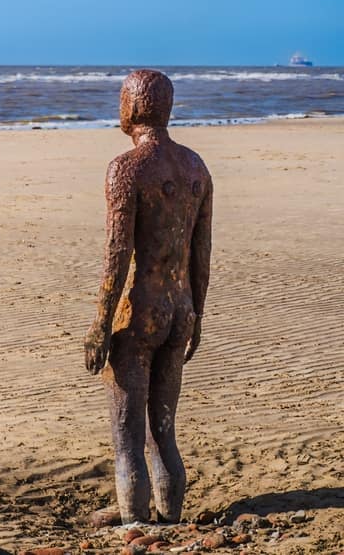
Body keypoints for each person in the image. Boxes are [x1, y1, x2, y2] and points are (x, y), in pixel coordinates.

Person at [84, 69, 213, 524]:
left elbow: (117, 254)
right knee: (163, 430)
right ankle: (169, 515)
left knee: (127, 433)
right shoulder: (196, 167)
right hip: (179, 310)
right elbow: (201, 255)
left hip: (139, 312)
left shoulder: (127, 168)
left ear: (134, 107)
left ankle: (136, 519)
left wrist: (101, 325)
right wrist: (197, 313)